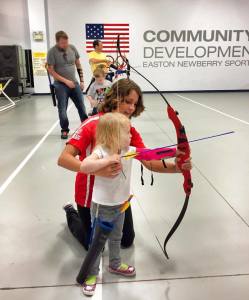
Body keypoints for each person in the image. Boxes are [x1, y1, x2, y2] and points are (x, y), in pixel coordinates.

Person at [58, 79, 192, 252]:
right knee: (92, 245)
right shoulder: (91, 124)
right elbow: (64, 158)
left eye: (134, 104)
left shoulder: (128, 131)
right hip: (88, 197)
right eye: (127, 101)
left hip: (115, 196)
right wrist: (98, 169)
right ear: (115, 98)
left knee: (126, 240)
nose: (131, 108)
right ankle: (71, 213)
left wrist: (177, 166)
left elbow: (149, 160)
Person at [79, 112, 136, 295]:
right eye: (127, 132)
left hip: (121, 204)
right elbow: (84, 166)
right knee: (96, 242)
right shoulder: (101, 151)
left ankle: (115, 264)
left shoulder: (129, 150)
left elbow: (153, 154)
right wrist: (107, 160)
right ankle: (91, 273)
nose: (131, 135)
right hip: (102, 206)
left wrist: (176, 153)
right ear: (113, 136)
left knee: (117, 237)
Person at [47, 31, 88, 139]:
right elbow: (51, 70)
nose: (65, 45)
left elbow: (78, 64)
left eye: (66, 42)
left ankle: (86, 127)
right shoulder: (52, 52)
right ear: (57, 42)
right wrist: (65, 81)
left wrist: (82, 81)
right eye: (62, 43)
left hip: (74, 83)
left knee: (82, 107)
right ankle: (64, 129)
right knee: (62, 109)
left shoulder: (72, 48)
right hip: (60, 85)